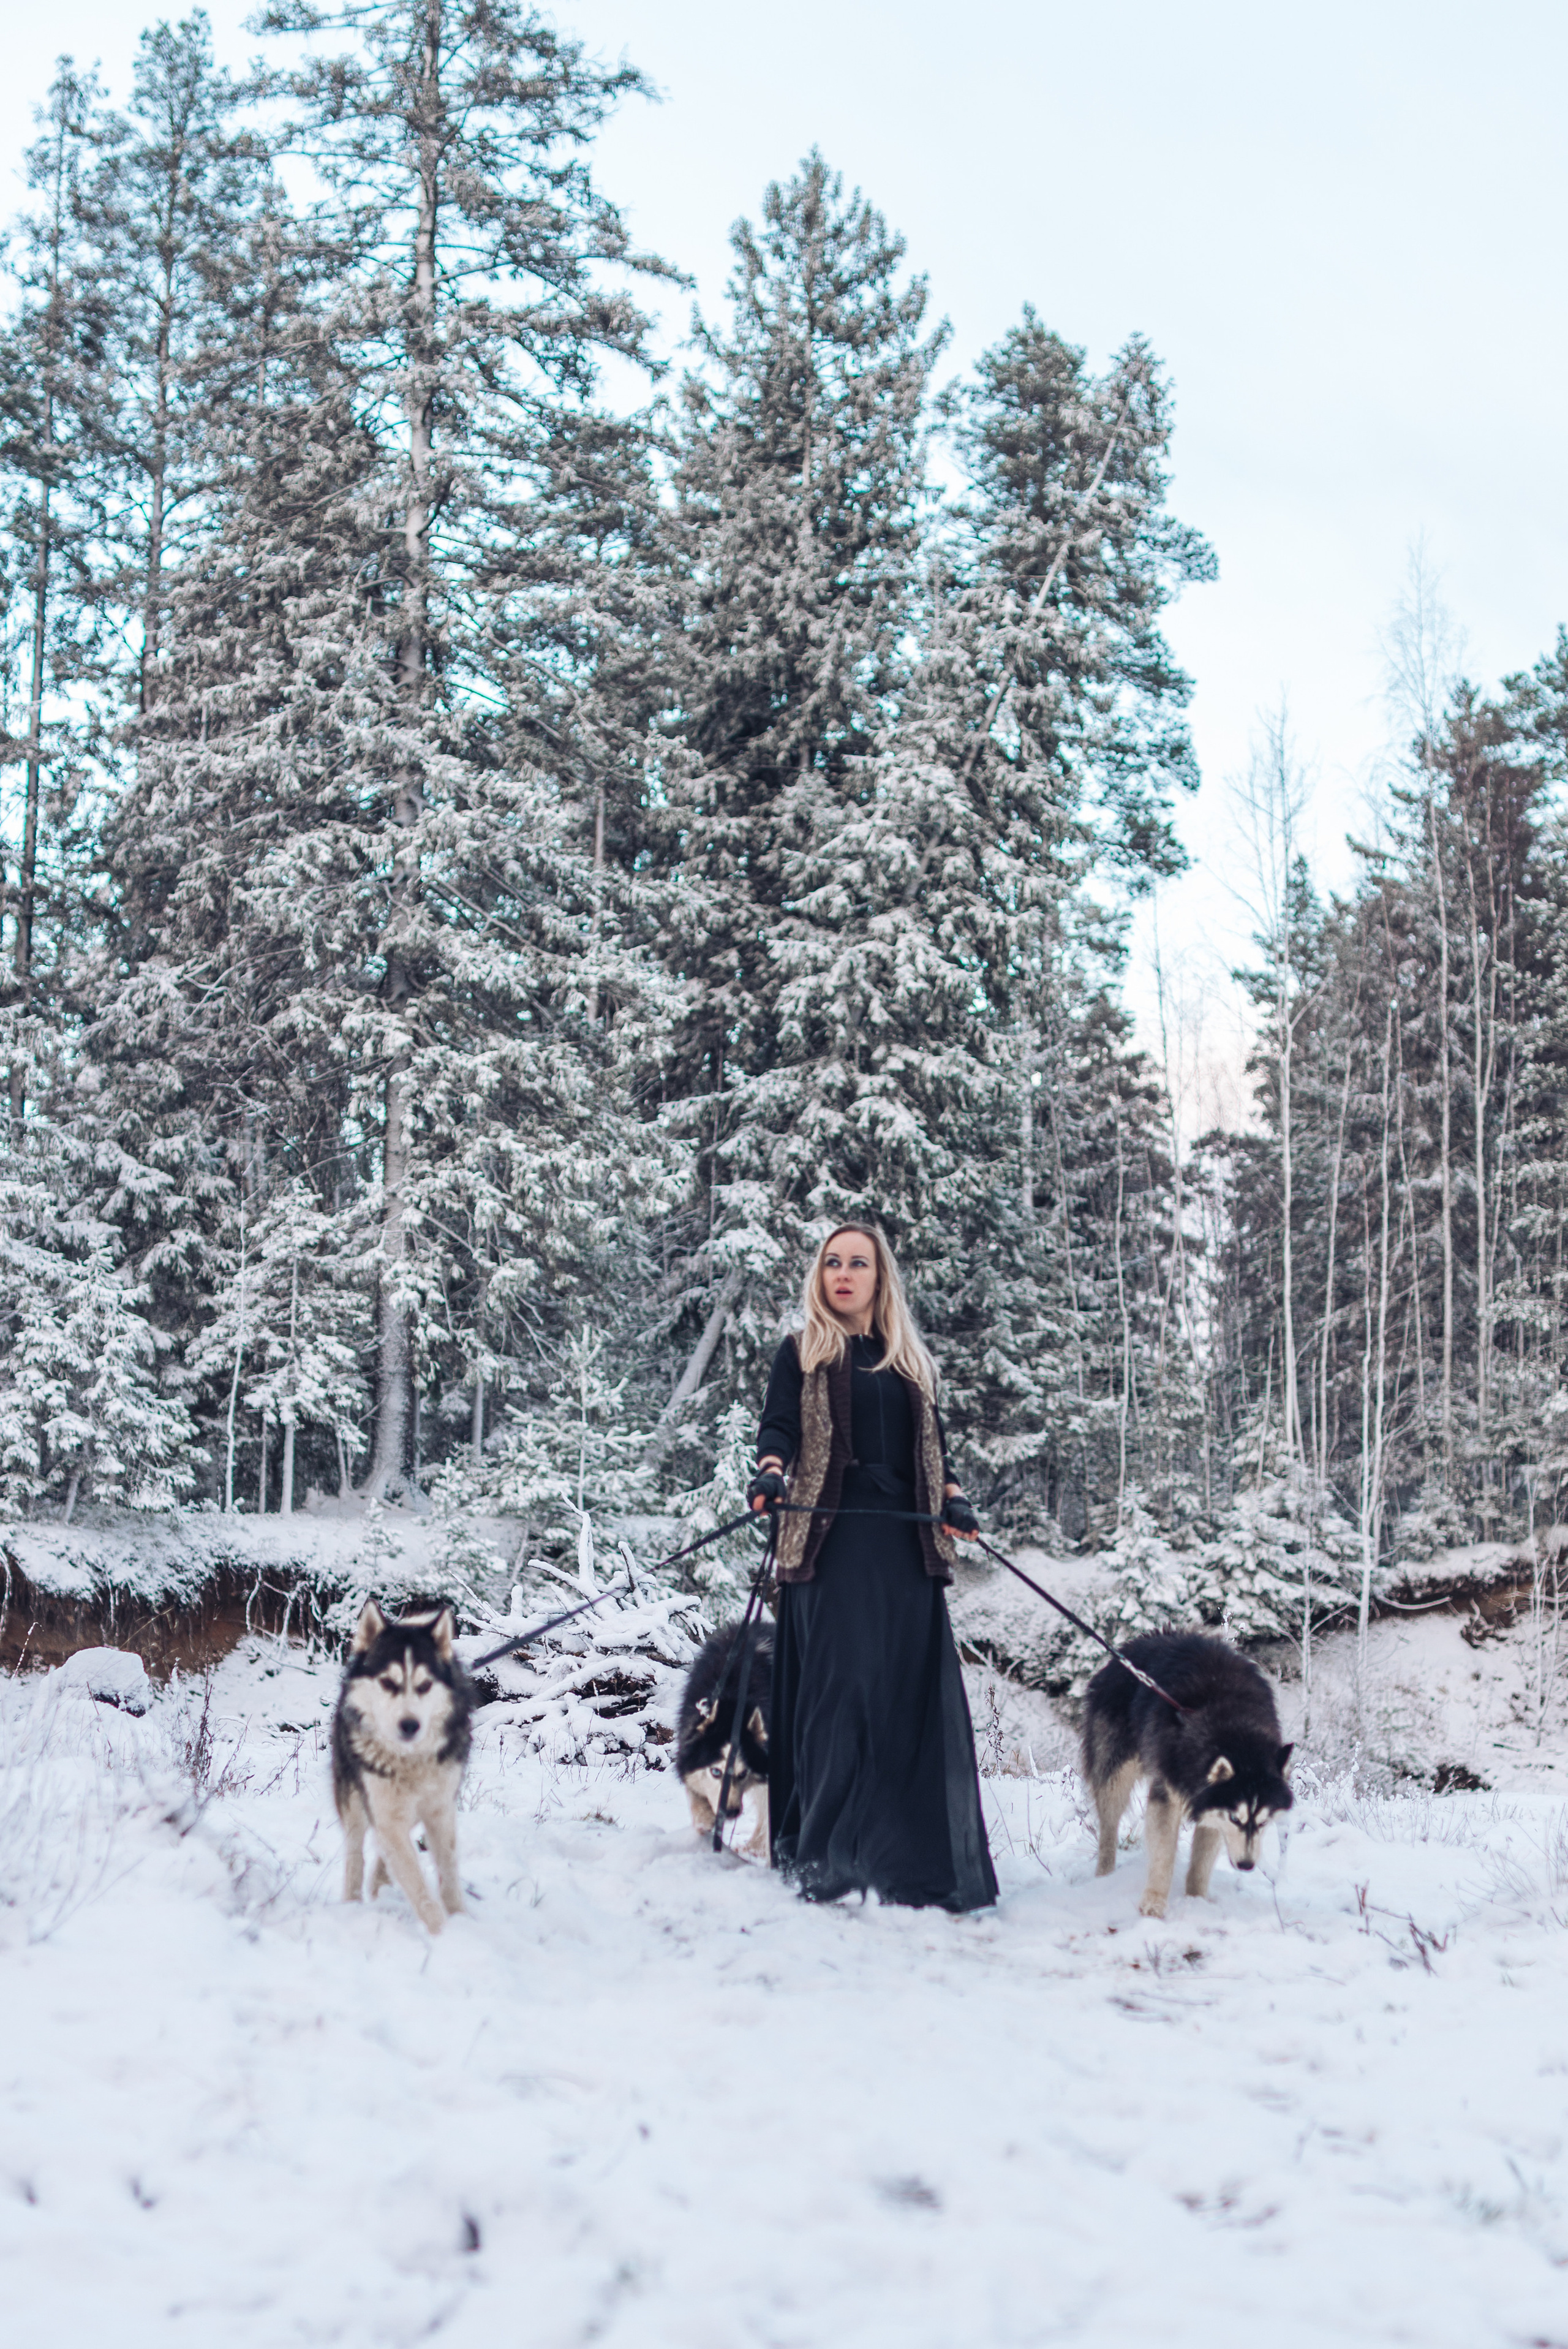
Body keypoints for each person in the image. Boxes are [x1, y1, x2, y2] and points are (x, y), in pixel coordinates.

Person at [747, 1224, 998, 1912]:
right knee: (840, 1695)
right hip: (832, 1541)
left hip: (905, 1546)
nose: (844, 1274)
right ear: (820, 1276)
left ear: (880, 1277)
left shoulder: (908, 1361)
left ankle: (913, 1869)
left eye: (859, 1263)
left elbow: (935, 1454)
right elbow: (779, 1427)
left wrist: (956, 1503)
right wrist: (770, 1474)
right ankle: (825, 1861)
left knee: (905, 1699)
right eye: (833, 1263)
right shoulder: (802, 1350)